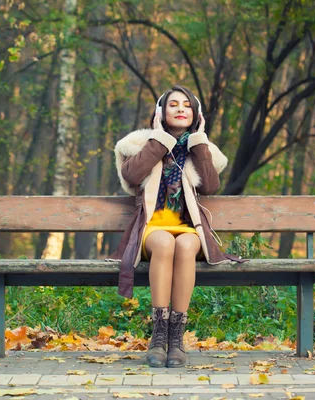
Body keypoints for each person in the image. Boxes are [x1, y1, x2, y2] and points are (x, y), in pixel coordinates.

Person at [107, 85, 241, 368]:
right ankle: (159, 335)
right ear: (160, 112)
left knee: (185, 243)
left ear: (196, 114)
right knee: (166, 242)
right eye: (173, 105)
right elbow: (131, 176)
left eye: (187, 105)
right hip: (151, 229)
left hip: (188, 228)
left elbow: (211, 186)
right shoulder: (140, 143)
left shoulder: (200, 149)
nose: (180, 109)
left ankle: (176, 339)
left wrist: (199, 143)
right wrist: (159, 140)